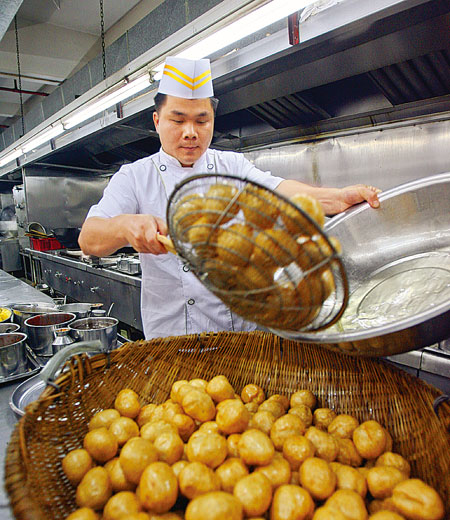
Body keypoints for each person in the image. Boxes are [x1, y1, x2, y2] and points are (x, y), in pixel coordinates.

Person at [79, 57, 380, 340]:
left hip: (241, 336)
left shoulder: (231, 167)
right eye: (178, 120)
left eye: (201, 121)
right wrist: (125, 226)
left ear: (212, 121)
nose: (190, 133)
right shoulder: (133, 177)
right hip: (171, 339)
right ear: (157, 121)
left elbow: (277, 191)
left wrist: (336, 198)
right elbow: (89, 239)